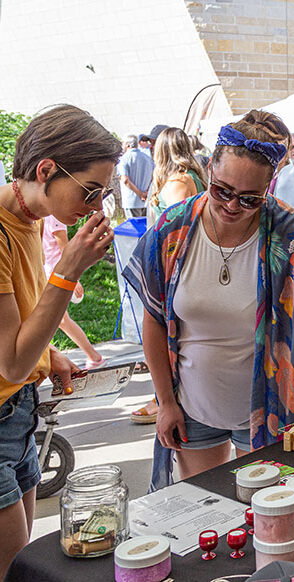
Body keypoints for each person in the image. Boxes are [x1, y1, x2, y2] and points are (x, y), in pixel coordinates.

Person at [123, 110, 294, 487]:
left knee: (266, 518)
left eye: (250, 199)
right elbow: (154, 317)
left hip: (271, 411)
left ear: (271, 186)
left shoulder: (290, 234)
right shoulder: (172, 229)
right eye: (222, 191)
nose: (232, 206)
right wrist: (165, 402)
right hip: (191, 408)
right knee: (204, 512)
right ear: (209, 170)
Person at [0, 104, 119, 578]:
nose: (94, 207)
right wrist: (67, 271)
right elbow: (9, 361)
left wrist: (48, 355)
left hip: (19, 414)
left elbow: (15, 327)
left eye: (103, 194)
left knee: (27, 565)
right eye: (89, 191)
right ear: (46, 169)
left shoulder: (28, 220)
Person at [41, 215, 106, 369]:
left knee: (60, 321)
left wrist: (74, 278)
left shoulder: (55, 219)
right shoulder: (39, 217)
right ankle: (93, 357)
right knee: (59, 321)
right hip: (45, 275)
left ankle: (93, 358)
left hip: (58, 276)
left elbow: (66, 250)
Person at [146, 128, 207, 225]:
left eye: (154, 144)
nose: (150, 147)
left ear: (161, 151)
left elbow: (176, 228)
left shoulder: (178, 182)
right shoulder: (186, 176)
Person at [117, 135, 154, 218]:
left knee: (134, 228)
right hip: (146, 200)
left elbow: (125, 180)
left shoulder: (123, 159)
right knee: (146, 227)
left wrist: (140, 194)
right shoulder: (147, 158)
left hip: (131, 201)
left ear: (127, 144)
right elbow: (153, 177)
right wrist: (146, 193)